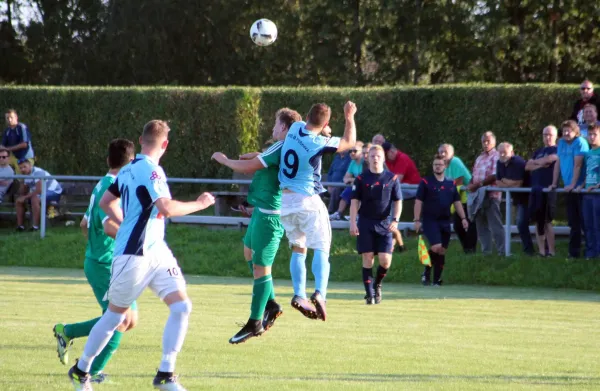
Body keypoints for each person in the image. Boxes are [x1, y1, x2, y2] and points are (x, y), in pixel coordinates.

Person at [67, 120, 215, 391]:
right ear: (165, 145)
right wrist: (201, 203)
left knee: (182, 307)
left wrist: (125, 224)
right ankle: (81, 370)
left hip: (156, 250)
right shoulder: (151, 170)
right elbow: (166, 208)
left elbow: (105, 202)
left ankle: (165, 374)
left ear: (142, 139)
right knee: (115, 317)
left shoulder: (128, 169)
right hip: (133, 255)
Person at [211, 108, 302, 344]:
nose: (272, 127)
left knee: (262, 269)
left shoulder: (281, 145)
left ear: (283, 127)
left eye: (275, 123)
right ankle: (271, 304)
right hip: (262, 211)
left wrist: (224, 160)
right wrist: (253, 155)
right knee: (249, 253)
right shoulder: (285, 147)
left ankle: (255, 323)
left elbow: (249, 168)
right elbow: (265, 161)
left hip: (271, 217)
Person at [53, 139, 136, 383]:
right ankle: (89, 371)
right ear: (131, 162)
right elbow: (108, 225)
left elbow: (84, 223)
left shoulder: (104, 184)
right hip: (105, 265)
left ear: (108, 160)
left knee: (127, 320)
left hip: (108, 262)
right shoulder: (114, 188)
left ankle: (67, 332)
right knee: (121, 320)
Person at [278, 101, 357, 322]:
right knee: (321, 247)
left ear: (306, 116)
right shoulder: (318, 143)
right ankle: (320, 293)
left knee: (298, 248)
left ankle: (299, 294)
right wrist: (349, 116)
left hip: (285, 202)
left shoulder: (294, 129)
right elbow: (349, 142)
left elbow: (311, 125)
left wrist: (323, 128)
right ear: (327, 123)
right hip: (307, 200)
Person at [349, 145, 401, 304]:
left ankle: (377, 284)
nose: (375, 158)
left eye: (378, 156)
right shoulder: (361, 178)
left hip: (385, 224)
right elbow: (354, 202)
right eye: (372, 156)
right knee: (368, 257)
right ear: (367, 158)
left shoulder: (392, 178)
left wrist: (395, 220)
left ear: (383, 158)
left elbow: (398, 200)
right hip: (365, 222)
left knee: (385, 261)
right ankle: (369, 294)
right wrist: (352, 222)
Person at [414, 155, 468, 286]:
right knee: (436, 246)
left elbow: (457, 202)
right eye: (435, 164)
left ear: (445, 166)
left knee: (442, 250)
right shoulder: (426, 182)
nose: (437, 166)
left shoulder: (451, 183)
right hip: (430, 220)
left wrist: (463, 218)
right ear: (433, 167)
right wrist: (416, 219)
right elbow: (418, 201)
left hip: (445, 220)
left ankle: (436, 280)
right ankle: (426, 272)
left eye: (440, 164)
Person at [549, 120, 589, 258]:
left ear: (575, 131)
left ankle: (591, 252)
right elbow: (558, 163)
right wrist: (554, 183)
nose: (566, 133)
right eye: (564, 130)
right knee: (573, 222)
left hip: (581, 189)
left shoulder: (580, 142)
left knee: (586, 222)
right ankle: (574, 253)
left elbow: (578, 165)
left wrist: (573, 184)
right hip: (569, 189)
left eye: (569, 130)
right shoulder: (561, 143)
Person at [467, 131, 504, 255]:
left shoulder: (497, 156)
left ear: (494, 141)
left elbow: (494, 175)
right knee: (481, 225)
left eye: (488, 141)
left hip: (491, 195)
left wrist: (478, 185)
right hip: (478, 196)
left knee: (495, 225)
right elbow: (474, 175)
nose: (486, 143)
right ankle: (486, 252)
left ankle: (502, 252)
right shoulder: (479, 157)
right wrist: (471, 184)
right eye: (484, 141)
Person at [495, 142, 534, 255]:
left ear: (511, 153)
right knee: (520, 223)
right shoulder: (499, 162)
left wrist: (505, 181)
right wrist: (509, 182)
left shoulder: (518, 162)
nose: (502, 155)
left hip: (528, 196)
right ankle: (528, 250)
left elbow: (519, 184)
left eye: (504, 153)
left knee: (522, 223)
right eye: (500, 152)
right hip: (516, 197)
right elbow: (498, 182)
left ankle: (530, 251)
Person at [525, 125, 558, 257]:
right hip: (535, 189)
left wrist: (535, 163)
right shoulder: (538, 151)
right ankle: (541, 251)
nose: (547, 137)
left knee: (547, 221)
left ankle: (552, 251)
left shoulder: (558, 149)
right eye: (545, 134)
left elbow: (551, 159)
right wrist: (540, 163)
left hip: (548, 188)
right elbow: (527, 166)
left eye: (550, 134)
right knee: (537, 221)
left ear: (555, 136)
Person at [438, 143, 477, 253]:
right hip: (456, 197)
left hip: (467, 196)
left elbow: (459, 181)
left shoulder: (455, 161)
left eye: (445, 152)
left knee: (467, 224)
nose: (442, 154)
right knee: (457, 225)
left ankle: (470, 249)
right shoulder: (443, 165)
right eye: (440, 152)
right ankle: (467, 248)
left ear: (452, 153)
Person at [15, 159, 62, 231]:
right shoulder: (26, 175)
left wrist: (25, 197)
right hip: (41, 193)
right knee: (19, 201)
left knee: (34, 199)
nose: (23, 169)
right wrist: (22, 181)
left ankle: (35, 226)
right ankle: (20, 226)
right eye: (21, 168)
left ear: (30, 165)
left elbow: (39, 190)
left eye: (25, 167)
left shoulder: (38, 172)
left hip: (54, 191)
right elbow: (22, 192)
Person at [576, 124, 600, 259]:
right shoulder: (589, 153)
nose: (591, 137)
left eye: (594, 134)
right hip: (588, 193)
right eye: (589, 135)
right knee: (588, 224)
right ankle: (590, 252)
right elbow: (589, 171)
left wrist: (596, 186)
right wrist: (582, 185)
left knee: (598, 225)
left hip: (598, 194)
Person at [329, 141, 364, 220]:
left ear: (362, 152)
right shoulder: (353, 162)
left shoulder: (365, 163)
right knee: (346, 192)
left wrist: (353, 180)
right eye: (350, 151)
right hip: (356, 186)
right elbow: (345, 178)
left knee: (358, 193)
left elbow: (364, 179)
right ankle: (338, 213)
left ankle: (357, 215)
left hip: (365, 187)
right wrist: (354, 180)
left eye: (355, 151)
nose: (352, 153)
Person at [2, 109, 35, 173]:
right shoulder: (7, 130)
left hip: (25, 157)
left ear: (16, 117)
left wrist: (8, 149)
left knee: (22, 177)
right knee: (2, 160)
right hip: (14, 157)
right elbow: (3, 145)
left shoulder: (22, 127)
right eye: (7, 118)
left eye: (11, 117)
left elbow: (24, 144)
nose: (9, 120)